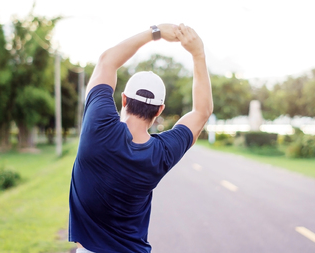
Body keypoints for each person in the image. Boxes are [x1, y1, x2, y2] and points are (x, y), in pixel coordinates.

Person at [69, 23, 213, 253]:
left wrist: (154, 33)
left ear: (124, 99)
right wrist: (198, 53)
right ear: (159, 110)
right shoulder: (162, 153)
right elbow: (202, 112)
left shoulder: (98, 127)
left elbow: (107, 61)